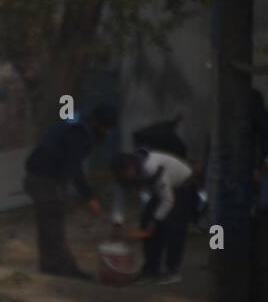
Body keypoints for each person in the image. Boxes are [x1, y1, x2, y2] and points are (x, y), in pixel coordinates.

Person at [23, 104, 116, 279]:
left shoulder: (79, 123)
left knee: (50, 224)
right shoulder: (78, 133)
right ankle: (64, 269)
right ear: (98, 124)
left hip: (45, 176)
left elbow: (66, 162)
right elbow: (74, 168)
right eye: (106, 129)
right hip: (42, 178)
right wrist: (90, 197)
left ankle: (51, 267)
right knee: (52, 224)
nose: (107, 133)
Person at [110, 148, 196, 284]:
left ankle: (173, 270)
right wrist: (117, 222)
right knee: (145, 221)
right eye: (120, 176)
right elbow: (119, 199)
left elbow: (168, 200)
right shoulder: (122, 176)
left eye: (124, 174)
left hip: (182, 185)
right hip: (162, 191)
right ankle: (150, 270)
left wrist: (154, 221)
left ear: (131, 168)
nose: (123, 178)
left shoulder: (151, 168)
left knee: (172, 225)